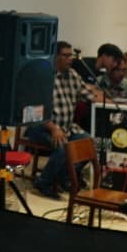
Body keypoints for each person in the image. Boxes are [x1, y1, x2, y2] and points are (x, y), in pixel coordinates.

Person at [27, 41, 99, 199]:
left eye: (71, 55)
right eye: (66, 55)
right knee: (64, 146)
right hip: (41, 127)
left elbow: (90, 96)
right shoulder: (44, 77)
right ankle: (43, 182)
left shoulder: (73, 75)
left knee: (89, 143)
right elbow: (32, 112)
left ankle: (65, 176)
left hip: (66, 127)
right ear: (55, 57)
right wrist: (53, 128)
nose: (70, 59)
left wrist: (114, 101)